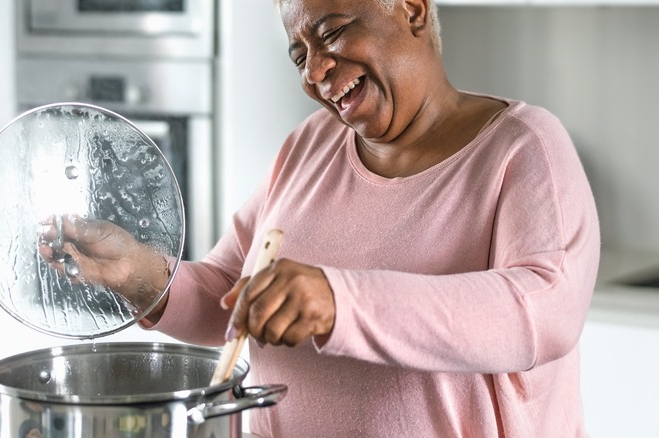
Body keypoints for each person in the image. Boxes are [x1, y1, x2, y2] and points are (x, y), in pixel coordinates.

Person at [40, 0, 600, 436]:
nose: (316, 71)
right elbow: (231, 299)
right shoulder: (310, 146)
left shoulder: (522, 148)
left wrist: (342, 302)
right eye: (299, 54)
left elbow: (540, 312)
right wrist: (142, 276)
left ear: (412, 9)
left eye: (331, 33)